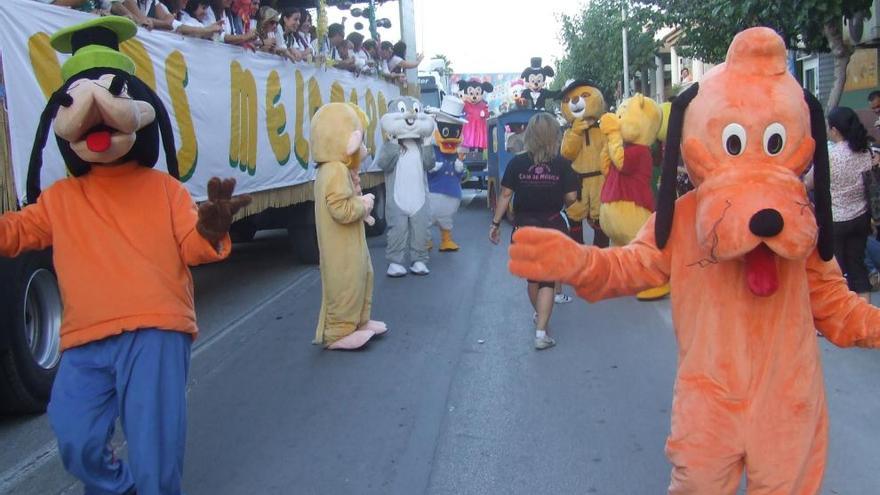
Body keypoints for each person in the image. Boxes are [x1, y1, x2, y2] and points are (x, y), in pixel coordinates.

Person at [489, 112, 578, 350]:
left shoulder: (517, 163)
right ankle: (541, 332)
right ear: (554, 136)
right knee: (548, 280)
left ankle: (540, 316)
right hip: (552, 227)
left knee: (533, 277)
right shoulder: (562, 164)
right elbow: (570, 199)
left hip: (524, 228)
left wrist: (495, 223)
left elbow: (505, 194)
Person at [805, 106, 874, 301]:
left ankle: (838, 321)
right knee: (858, 269)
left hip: (835, 221)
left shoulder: (830, 156)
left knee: (835, 273)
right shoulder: (865, 152)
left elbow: (809, 182)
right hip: (860, 218)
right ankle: (863, 320)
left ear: (835, 130)